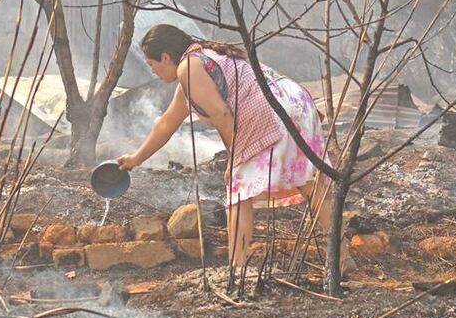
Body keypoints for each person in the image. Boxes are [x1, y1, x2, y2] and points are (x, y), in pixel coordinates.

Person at [117, 24, 351, 273]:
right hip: (294, 103)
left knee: (239, 193)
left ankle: (236, 269)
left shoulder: (189, 67)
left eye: (152, 64)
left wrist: (234, 158)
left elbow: (221, 113)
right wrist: (135, 159)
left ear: (165, 56)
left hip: (274, 113)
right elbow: (166, 123)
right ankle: (343, 257)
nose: (153, 71)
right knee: (308, 183)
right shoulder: (200, 62)